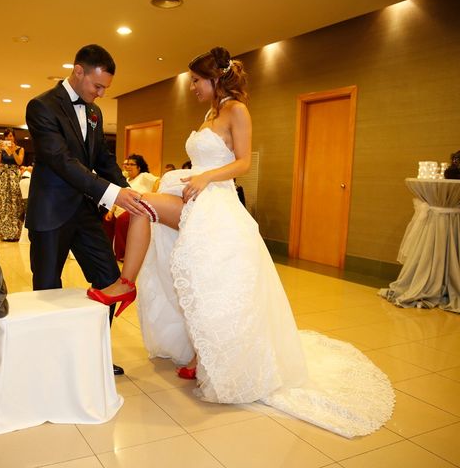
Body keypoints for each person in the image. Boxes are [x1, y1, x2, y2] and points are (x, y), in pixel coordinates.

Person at [87, 47, 394, 437]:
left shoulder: (237, 111)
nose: (194, 88)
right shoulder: (210, 114)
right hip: (192, 194)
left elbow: (244, 161)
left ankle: (204, 354)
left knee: (209, 284)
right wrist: (189, 178)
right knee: (142, 205)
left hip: (215, 200)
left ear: (215, 80)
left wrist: (206, 177)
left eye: (197, 81)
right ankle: (126, 283)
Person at [25, 44, 144, 376]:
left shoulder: (94, 112)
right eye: (98, 86)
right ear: (79, 71)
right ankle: (49, 362)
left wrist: (126, 191)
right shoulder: (41, 106)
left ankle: (93, 354)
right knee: (47, 287)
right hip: (51, 212)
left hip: (86, 213)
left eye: (106, 88)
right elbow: (62, 162)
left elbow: (102, 159)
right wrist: (111, 195)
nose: (102, 93)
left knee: (110, 280)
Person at [103, 154, 159, 260]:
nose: (127, 167)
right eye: (126, 164)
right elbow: (119, 196)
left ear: (139, 167)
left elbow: (158, 180)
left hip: (136, 209)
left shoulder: (144, 176)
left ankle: (124, 254)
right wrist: (111, 210)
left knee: (122, 220)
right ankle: (108, 252)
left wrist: (152, 196)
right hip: (121, 208)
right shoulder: (127, 180)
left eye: (131, 164)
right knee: (107, 221)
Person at [0, 128, 24, 241]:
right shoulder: (1, 149)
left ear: (14, 137)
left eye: (10, 136)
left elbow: (19, 162)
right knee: (3, 203)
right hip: (3, 177)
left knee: (15, 203)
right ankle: (4, 233)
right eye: (6, 136)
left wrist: (12, 151)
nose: (8, 138)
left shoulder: (20, 149)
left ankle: (16, 233)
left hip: (14, 176)